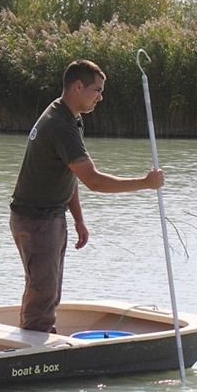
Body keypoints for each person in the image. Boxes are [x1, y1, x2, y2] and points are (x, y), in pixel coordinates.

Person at [9, 59, 164, 333]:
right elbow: (93, 180)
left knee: (47, 288)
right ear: (78, 86)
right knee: (43, 291)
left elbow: (71, 175)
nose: (100, 97)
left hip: (48, 217)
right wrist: (145, 182)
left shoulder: (70, 117)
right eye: (97, 90)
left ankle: (36, 335)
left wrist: (78, 219)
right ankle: (36, 348)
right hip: (37, 220)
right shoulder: (60, 125)